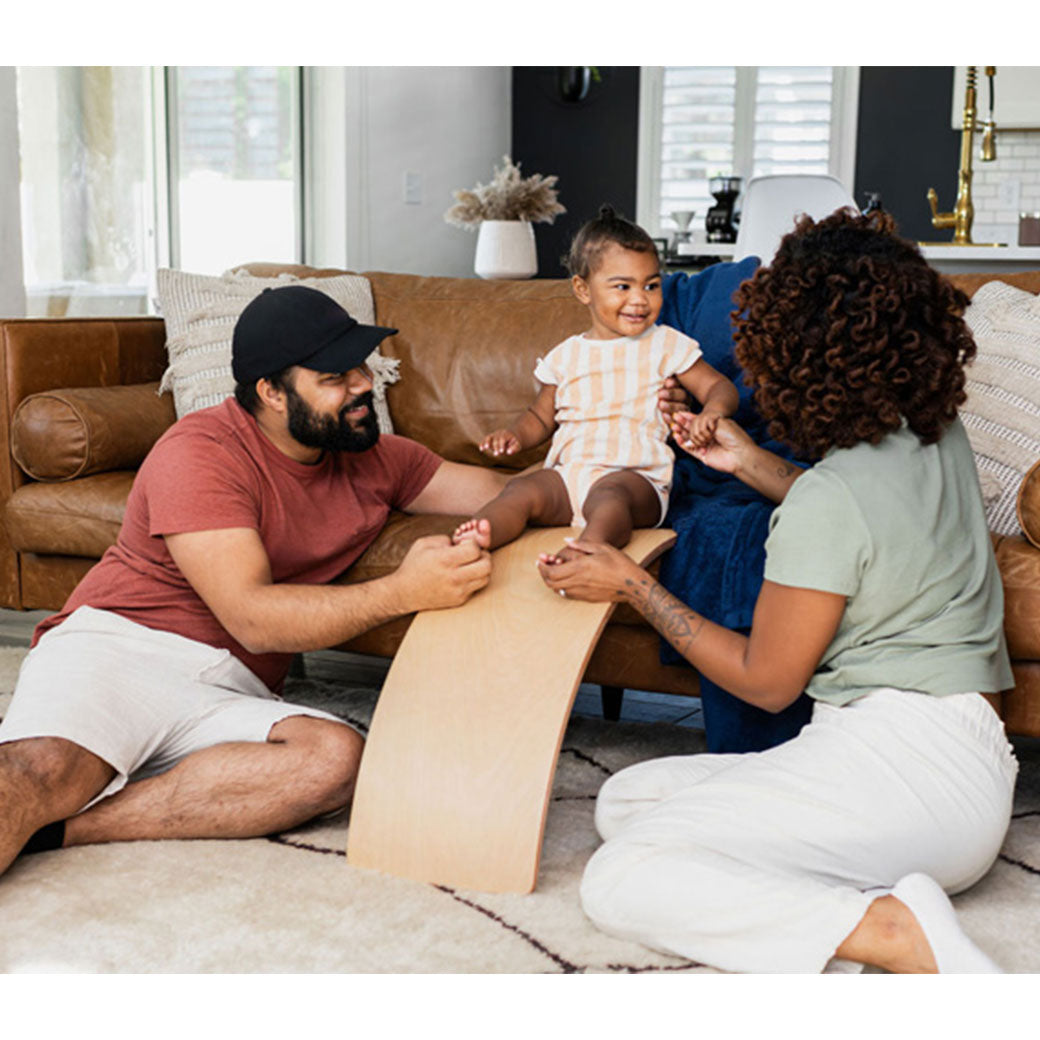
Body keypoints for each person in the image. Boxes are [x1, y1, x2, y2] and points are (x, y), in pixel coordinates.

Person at [537, 210, 1018, 973]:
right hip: (955, 758)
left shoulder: (832, 500)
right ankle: (849, 872)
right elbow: (855, 507)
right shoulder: (930, 426)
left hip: (909, 768)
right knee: (625, 803)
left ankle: (894, 931)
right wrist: (748, 460)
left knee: (620, 878)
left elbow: (766, 684)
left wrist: (633, 584)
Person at [0, 285, 508, 879]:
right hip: (120, 649)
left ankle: (67, 831)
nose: (363, 384)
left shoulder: (375, 456)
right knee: (42, 773)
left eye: (361, 367)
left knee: (332, 762)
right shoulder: (200, 451)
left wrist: (613, 478)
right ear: (270, 391)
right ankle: (55, 785)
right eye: (335, 377)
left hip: (232, 687)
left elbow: (506, 493)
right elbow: (254, 619)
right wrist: (403, 590)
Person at [453, 206, 739, 558]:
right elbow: (541, 418)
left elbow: (719, 386)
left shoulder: (666, 344)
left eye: (651, 285)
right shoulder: (565, 355)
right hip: (569, 475)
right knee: (522, 490)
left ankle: (591, 547)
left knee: (610, 498)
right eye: (622, 286)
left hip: (636, 479)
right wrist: (515, 435)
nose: (639, 299)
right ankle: (480, 534)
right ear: (583, 289)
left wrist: (714, 411)